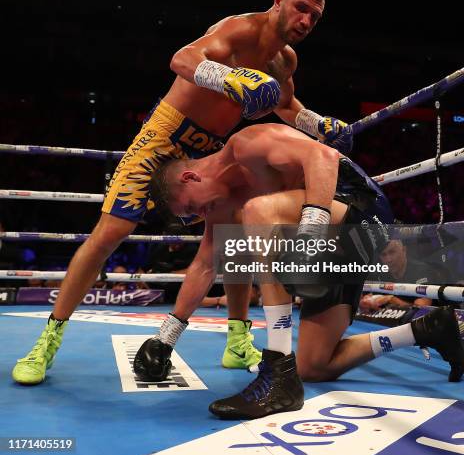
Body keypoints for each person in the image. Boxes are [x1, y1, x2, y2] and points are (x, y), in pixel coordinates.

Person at [12, 0, 352, 385]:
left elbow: (283, 105)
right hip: (165, 136)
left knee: (231, 235)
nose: (305, 21)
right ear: (278, 0)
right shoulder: (237, 29)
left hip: (208, 148)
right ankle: (49, 339)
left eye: (314, 18)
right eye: (301, 8)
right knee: (111, 231)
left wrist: (319, 123)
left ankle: (237, 338)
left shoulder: (285, 61)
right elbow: (182, 60)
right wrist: (231, 77)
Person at [134, 123, 464, 419]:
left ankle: (278, 369)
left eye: (192, 207)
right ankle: (427, 329)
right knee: (314, 365)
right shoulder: (219, 204)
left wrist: (309, 235)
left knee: (258, 211)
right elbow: (205, 265)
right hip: (330, 239)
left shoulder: (248, 145)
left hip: (359, 211)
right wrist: (166, 337)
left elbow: (324, 155)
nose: (198, 215)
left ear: (190, 177)